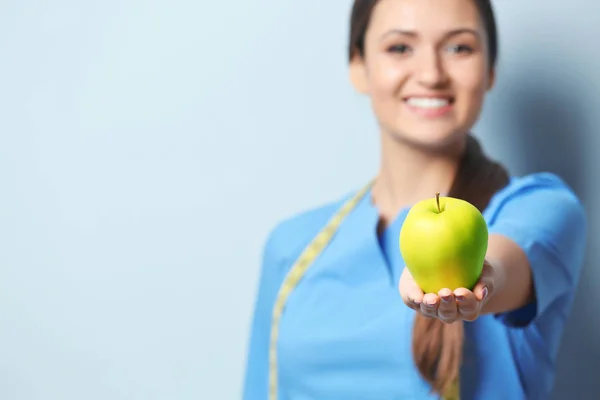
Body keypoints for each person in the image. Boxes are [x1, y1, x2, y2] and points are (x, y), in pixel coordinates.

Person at [242, 0, 587, 399]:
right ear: (359, 66)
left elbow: (500, 265)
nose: (431, 75)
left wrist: (471, 279)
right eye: (400, 48)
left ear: (490, 70)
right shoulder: (291, 246)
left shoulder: (541, 208)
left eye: (459, 48)